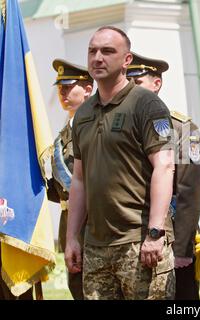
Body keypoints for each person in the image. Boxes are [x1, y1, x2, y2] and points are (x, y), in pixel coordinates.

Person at [65, 26, 176, 300]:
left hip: (140, 242)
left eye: (107, 51)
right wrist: (71, 238)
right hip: (96, 246)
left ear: (127, 60)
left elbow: (164, 166)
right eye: (92, 51)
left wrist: (155, 231)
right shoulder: (83, 114)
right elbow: (78, 180)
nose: (98, 58)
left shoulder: (147, 105)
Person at [127, 52, 200, 300]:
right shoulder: (117, 126)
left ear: (156, 84)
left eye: (136, 81)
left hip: (171, 238)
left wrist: (182, 247)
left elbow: (188, 191)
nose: (129, 87)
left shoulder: (178, 126)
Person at [46, 59, 93, 300]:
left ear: (87, 89)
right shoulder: (64, 132)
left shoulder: (96, 125)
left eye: (69, 86)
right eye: (60, 87)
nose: (62, 93)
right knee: (76, 285)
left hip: (92, 218)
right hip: (68, 218)